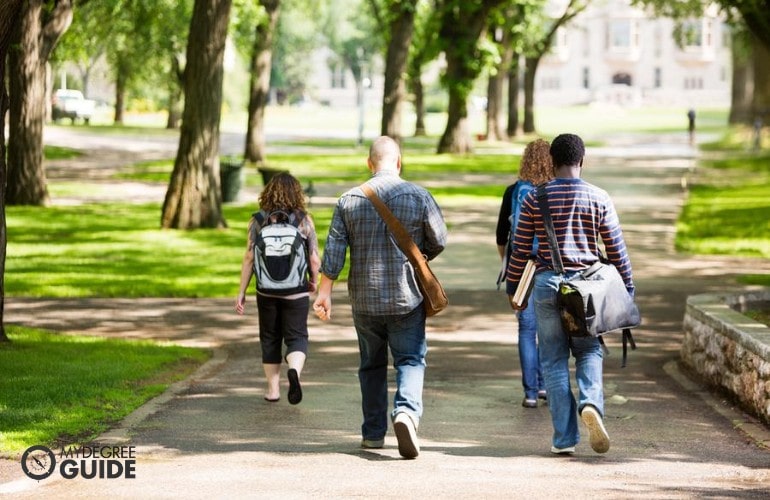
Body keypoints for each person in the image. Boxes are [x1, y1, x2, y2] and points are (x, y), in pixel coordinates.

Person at [313, 136, 447, 459]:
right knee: (410, 359)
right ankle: (406, 414)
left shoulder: (348, 201)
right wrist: (419, 256)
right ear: (399, 162)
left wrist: (325, 293)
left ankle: (373, 434)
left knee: (370, 365)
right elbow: (439, 239)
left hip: (364, 299)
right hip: (407, 296)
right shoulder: (419, 196)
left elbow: (334, 251)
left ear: (369, 163)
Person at [506, 133, 635, 455]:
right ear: (582, 160)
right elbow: (617, 251)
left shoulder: (535, 198)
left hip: (548, 284)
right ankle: (590, 402)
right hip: (587, 289)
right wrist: (627, 289)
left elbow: (519, 249)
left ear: (551, 161)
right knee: (589, 350)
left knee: (552, 360)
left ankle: (564, 439)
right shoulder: (599, 197)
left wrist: (513, 288)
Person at [235, 172, 321, 405]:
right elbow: (314, 258)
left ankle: (273, 390)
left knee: (270, 337)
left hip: (266, 291)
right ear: (297, 193)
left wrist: (242, 291)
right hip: (296, 290)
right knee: (297, 336)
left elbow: (249, 258)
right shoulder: (304, 220)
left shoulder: (257, 220)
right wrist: (314, 281)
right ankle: (294, 370)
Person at [495, 139, 553, 409]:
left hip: (522, 268)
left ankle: (530, 392)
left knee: (526, 329)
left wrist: (509, 265)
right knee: (550, 329)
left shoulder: (513, 192)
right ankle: (544, 386)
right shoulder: (556, 190)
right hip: (550, 267)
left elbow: (500, 236)